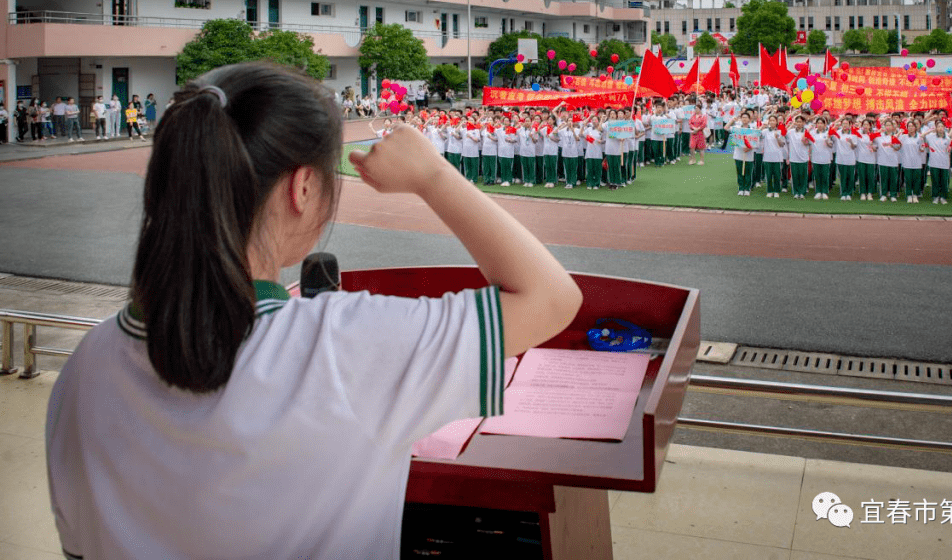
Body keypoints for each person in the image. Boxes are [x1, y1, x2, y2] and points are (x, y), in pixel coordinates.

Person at [45, 62, 582, 560]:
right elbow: (553, 298)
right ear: (302, 187)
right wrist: (432, 176)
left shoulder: (85, 367)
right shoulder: (346, 348)